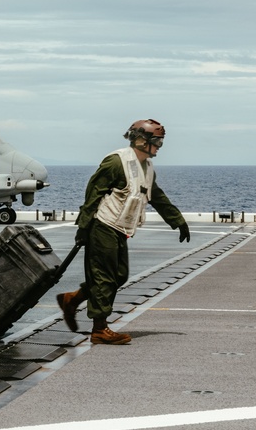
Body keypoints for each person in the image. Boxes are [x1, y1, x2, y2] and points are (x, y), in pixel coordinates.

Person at [56, 119, 190, 345]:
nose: (159, 147)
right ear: (141, 140)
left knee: (119, 276)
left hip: (120, 228)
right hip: (102, 225)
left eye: (161, 142)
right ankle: (99, 329)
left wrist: (178, 221)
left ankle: (72, 299)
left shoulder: (147, 167)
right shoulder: (116, 162)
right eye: (156, 141)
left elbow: (155, 195)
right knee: (104, 277)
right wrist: (84, 227)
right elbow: (93, 193)